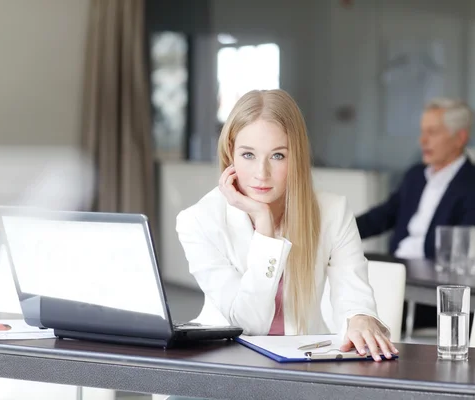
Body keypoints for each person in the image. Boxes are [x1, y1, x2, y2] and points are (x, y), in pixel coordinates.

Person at [176, 89, 397, 362]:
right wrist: (265, 229)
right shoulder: (198, 220)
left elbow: (353, 293)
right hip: (222, 361)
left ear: (297, 158)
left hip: (304, 363)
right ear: (230, 153)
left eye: (277, 156)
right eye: (248, 155)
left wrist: (361, 318)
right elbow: (248, 324)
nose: (261, 173)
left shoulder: (333, 211)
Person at [356, 98, 475, 260]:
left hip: (434, 275)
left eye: (432, 132)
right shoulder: (416, 175)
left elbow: (463, 249)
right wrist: (337, 232)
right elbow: (381, 216)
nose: (422, 140)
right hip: (398, 265)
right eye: (422, 132)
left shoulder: (470, 184)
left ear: (460, 138)